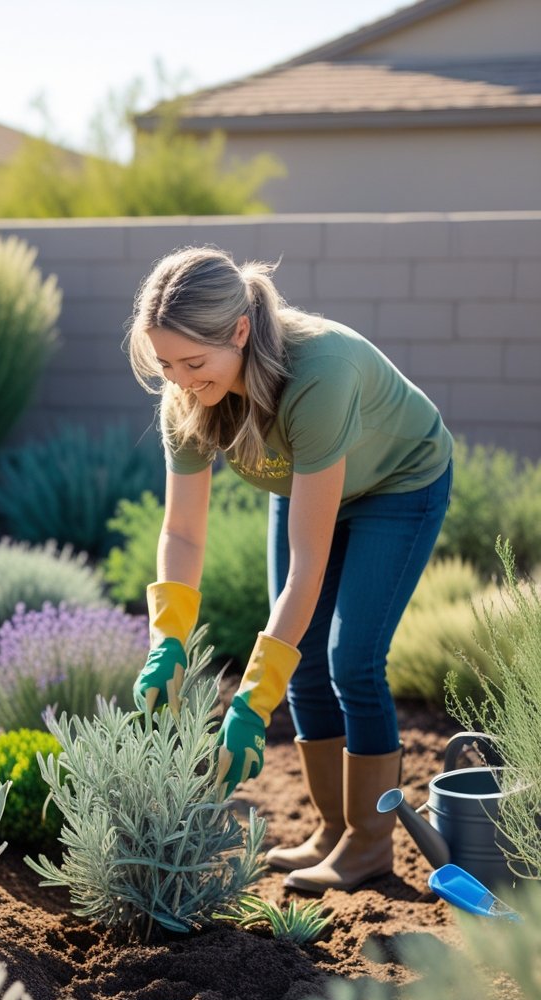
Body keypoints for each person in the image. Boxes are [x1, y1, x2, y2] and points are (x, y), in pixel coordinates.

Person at [128, 246, 453, 894]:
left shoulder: (318, 372)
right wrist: (167, 638)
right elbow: (183, 531)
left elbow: (307, 565)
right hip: (308, 483)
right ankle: (333, 830)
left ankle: (369, 843)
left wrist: (251, 698)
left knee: (351, 659)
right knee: (301, 660)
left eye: (194, 362)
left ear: (241, 332)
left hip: (399, 482)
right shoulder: (188, 397)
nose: (181, 379)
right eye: (165, 364)